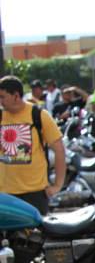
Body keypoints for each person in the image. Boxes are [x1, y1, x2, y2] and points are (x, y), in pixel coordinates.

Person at [0, 75, 66, 214]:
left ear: (16, 96)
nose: (0, 102)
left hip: (35, 194)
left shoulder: (39, 115)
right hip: (5, 194)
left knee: (35, 235)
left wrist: (57, 185)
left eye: (2, 97)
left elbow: (59, 150)